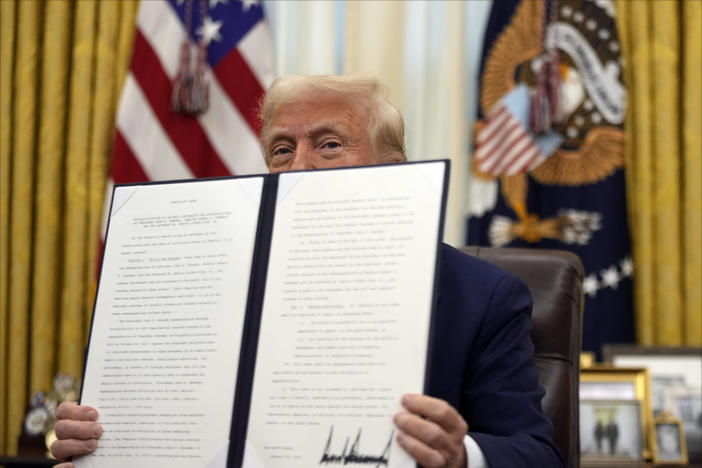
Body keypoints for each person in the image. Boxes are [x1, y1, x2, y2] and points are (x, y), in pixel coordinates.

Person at [51, 74, 564, 468]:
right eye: (282, 150)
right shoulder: (207, 281)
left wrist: (459, 455)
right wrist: (100, 439)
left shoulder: (482, 294)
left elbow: (537, 453)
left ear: (393, 168)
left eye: (329, 144)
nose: (298, 168)